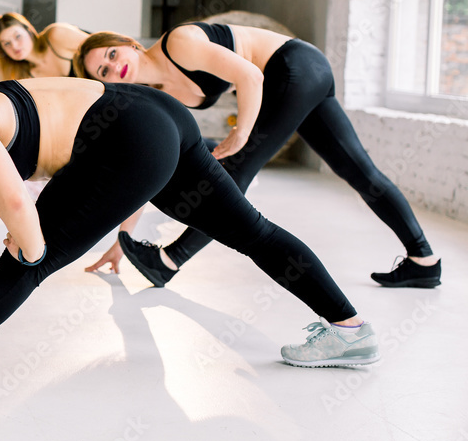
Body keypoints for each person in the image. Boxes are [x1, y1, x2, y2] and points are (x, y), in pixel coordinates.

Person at [0, 55, 380, 380]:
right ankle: (350, 331)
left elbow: (20, 207)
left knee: (23, 266)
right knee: (250, 232)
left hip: (129, 133)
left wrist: (29, 248)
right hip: (152, 121)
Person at [74, 25, 441, 289]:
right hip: (303, 78)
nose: (113, 65)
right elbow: (149, 170)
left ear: (127, 43)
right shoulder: (159, 96)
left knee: (235, 171)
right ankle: (423, 260)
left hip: (294, 65)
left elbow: (250, 75)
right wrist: (123, 242)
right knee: (358, 170)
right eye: (103, 71)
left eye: (111, 53)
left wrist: (242, 133)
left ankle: (169, 261)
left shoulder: (180, 42)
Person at [0, 13, 87, 84]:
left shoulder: (56, 35)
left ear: (29, 31)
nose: (14, 46)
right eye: (6, 43)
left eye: (18, 36)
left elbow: (100, 45)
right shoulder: (25, 80)